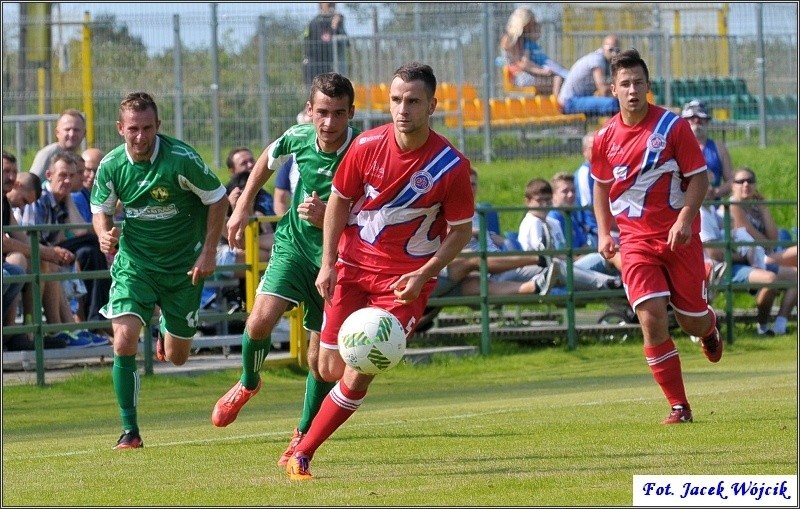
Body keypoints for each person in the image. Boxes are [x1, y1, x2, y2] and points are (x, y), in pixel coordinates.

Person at [284, 62, 475, 480]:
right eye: (395, 100)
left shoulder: (450, 166)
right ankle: (306, 430)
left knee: (360, 369)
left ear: (432, 106)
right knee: (329, 367)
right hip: (352, 268)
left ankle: (303, 452)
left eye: (413, 101)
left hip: (402, 285)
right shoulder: (366, 145)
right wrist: (328, 262)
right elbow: (337, 202)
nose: (402, 109)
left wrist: (425, 274)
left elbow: (461, 232)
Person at [211, 72, 361, 469]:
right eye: (322, 113)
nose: (329, 123)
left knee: (319, 362)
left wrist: (328, 216)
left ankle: (302, 435)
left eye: (339, 114)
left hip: (338, 261)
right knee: (259, 321)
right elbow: (265, 159)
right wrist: (242, 207)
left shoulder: (364, 150)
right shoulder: (297, 137)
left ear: (351, 114)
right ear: (310, 111)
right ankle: (248, 382)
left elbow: (372, 216)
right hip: (293, 248)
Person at [591, 49, 723, 425]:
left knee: (691, 322)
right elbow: (601, 188)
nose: (632, 90)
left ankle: (708, 326)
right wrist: (604, 232)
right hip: (635, 242)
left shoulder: (672, 127)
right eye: (624, 84)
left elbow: (699, 176)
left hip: (679, 238)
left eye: (638, 83)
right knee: (650, 317)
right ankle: (679, 406)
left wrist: (685, 219)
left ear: (649, 86)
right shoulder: (603, 138)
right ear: (613, 90)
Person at [91, 91, 228, 450]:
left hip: (184, 268)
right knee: (123, 340)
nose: (140, 136)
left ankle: (167, 326)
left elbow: (218, 199)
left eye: (147, 128)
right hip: (135, 263)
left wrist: (209, 252)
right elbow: (100, 209)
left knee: (179, 356)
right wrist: (104, 233)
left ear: (158, 126)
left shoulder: (181, 160)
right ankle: (130, 430)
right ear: (120, 128)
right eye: (133, 129)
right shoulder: (111, 165)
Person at [3, 160, 77, 349]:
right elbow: (6, 243)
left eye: (14, 171)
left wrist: (49, 253)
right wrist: (46, 252)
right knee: (19, 260)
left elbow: (22, 239)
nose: (11, 177)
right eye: (6, 171)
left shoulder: (4, 202)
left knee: (43, 263)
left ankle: (39, 330)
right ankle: (13, 333)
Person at [35, 150, 111, 326]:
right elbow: (34, 238)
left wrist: (66, 197)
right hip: (43, 252)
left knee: (90, 250)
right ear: (49, 175)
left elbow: (78, 231)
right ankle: (96, 322)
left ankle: (97, 322)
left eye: (72, 175)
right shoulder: (40, 198)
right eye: (62, 175)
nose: (68, 180)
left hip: (58, 249)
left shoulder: (63, 197)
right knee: (93, 243)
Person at [519, 178, 622, 292]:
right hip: (551, 272)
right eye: (539, 201)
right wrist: (576, 257)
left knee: (611, 254)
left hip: (568, 266)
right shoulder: (532, 223)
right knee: (609, 256)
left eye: (547, 200)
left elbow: (564, 250)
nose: (544, 204)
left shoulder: (554, 222)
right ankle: (617, 284)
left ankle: (621, 287)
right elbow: (545, 257)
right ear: (528, 201)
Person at [729, 167, 797, 335]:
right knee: (772, 278)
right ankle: (763, 327)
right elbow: (751, 232)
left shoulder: (756, 207)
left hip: (761, 257)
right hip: (741, 262)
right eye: (740, 181)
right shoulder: (733, 205)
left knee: (796, 275)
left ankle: (780, 324)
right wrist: (770, 246)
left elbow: (774, 236)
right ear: (733, 185)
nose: (746, 184)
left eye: (750, 180)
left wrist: (764, 207)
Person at [499, 7, 568, 97]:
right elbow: (522, 64)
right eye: (531, 24)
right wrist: (541, 71)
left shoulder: (525, 40)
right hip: (519, 76)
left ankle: (553, 103)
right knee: (557, 80)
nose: (533, 27)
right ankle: (557, 104)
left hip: (530, 73)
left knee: (560, 78)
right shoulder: (510, 40)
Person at [681, 100, 734, 201]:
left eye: (701, 119)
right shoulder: (676, 147)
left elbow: (731, 181)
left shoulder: (719, 148)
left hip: (713, 206)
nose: (697, 121)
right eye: (692, 118)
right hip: (684, 204)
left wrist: (715, 192)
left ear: (707, 121)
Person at [558, 35, 621, 116]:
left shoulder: (605, 61)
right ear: (603, 48)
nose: (614, 53)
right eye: (611, 49)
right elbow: (603, 90)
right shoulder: (597, 60)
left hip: (578, 100)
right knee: (613, 104)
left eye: (617, 50)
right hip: (569, 102)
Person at [28, 109, 87, 180]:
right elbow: (33, 184)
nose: (72, 134)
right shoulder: (47, 155)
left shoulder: (82, 157)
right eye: (67, 129)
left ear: (84, 133)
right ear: (57, 132)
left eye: (76, 130)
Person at [273, 112, 313, 216]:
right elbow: (279, 199)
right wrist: (287, 224)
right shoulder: (290, 160)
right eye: (305, 127)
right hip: (299, 224)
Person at [302, 3, 348, 87]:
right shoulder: (316, 22)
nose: (332, 7)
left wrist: (337, 26)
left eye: (333, 4)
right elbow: (324, 42)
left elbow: (346, 42)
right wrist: (333, 27)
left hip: (332, 66)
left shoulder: (337, 21)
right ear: (321, 5)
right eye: (329, 4)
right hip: (316, 67)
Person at [573, 132, 601, 247]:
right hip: (591, 231)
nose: (597, 150)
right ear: (584, 151)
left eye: (599, 146)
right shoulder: (585, 172)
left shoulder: (601, 169)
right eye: (592, 147)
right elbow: (589, 208)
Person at [72, 148, 105, 223]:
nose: (92, 175)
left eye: (97, 170)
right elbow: (85, 229)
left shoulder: (106, 192)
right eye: (87, 169)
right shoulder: (75, 195)